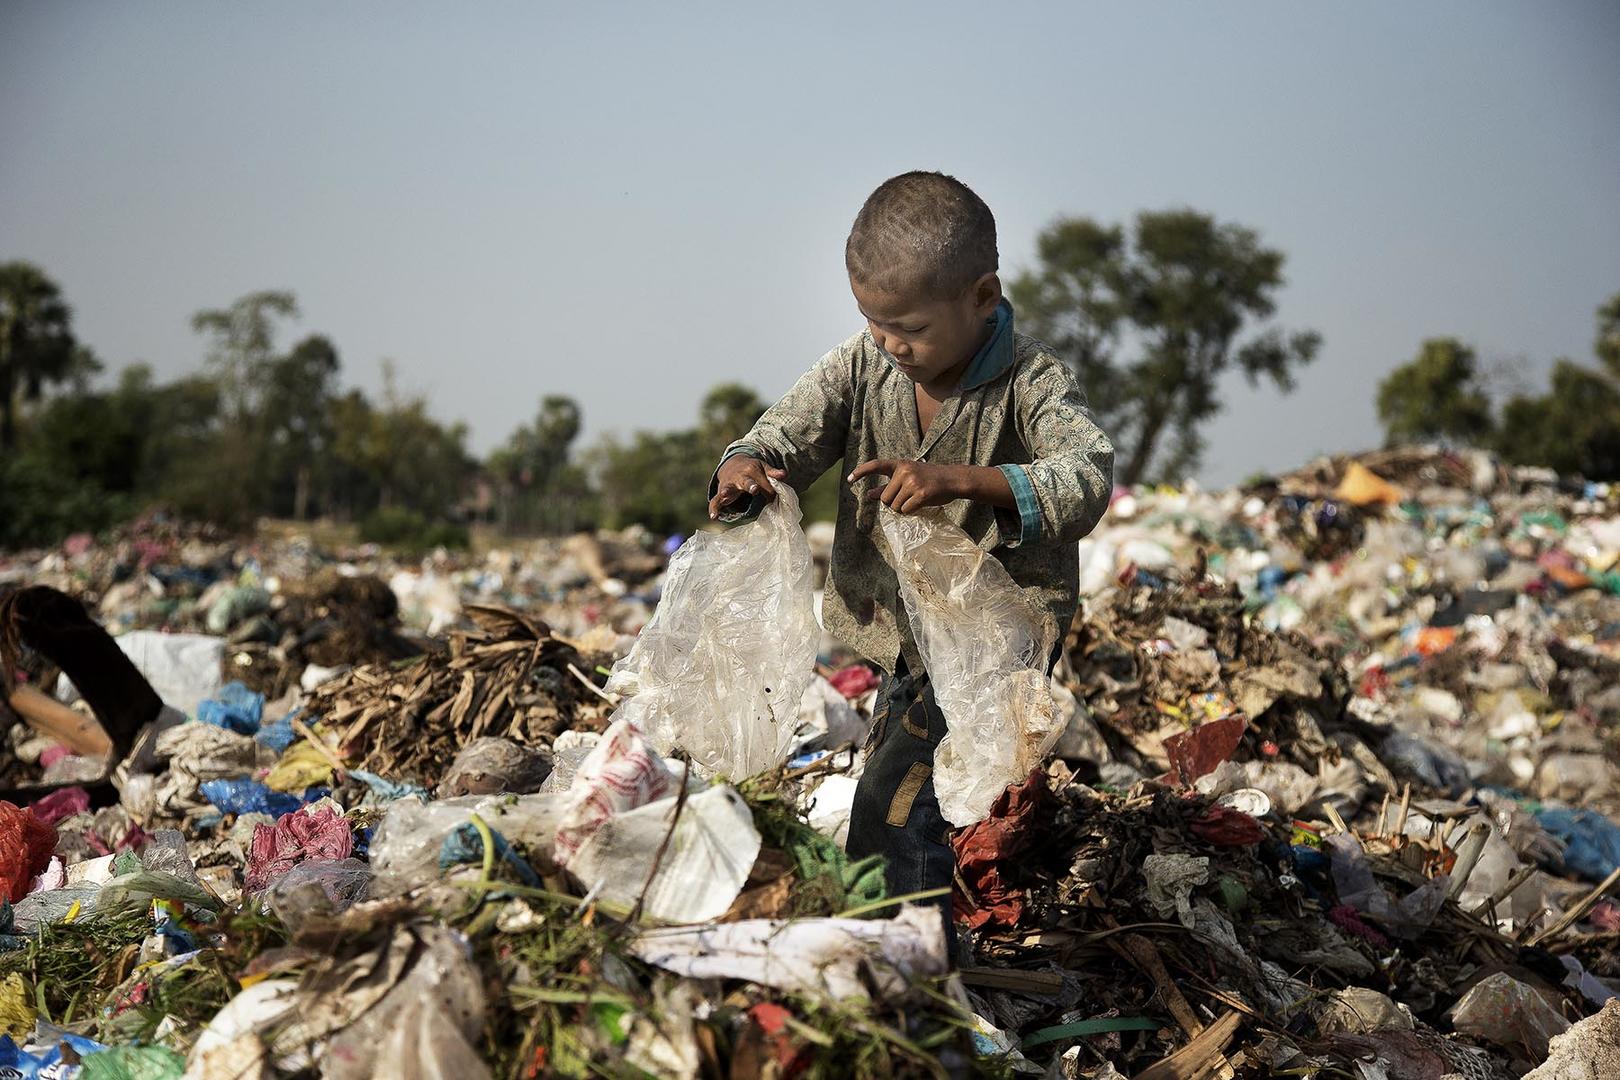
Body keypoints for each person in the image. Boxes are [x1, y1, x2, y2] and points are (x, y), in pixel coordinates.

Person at [706, 171, 1114, 927]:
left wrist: (959, 480)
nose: (892, 344)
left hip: (997, 639)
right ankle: (929, 936)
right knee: (912, 786)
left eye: (912, 329)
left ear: (982, 297)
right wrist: (747, 464)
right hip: (904, 638)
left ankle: (912, 963)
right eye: (874, 321)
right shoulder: (863, 367)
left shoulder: (1032, 382)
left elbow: (1086, 477)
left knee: (895, 810)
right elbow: (787, 432)